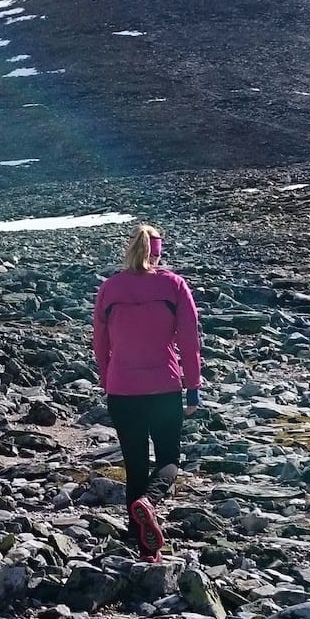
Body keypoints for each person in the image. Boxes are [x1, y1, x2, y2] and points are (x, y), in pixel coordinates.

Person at [92, 223, 202, 561]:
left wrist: (107, 379)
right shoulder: (172, 285)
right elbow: (189, 340)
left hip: (122, 390)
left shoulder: (110, 288)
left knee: (135, 465)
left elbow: (100, 342)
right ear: (158, 250)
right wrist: (193, 387)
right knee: (168, 458)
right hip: (164, 387)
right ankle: (149, 503)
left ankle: (144, 548)